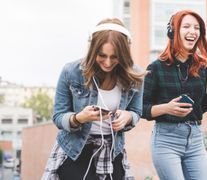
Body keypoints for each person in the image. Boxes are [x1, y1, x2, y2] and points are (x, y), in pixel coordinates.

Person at [42, 18, 144, 180]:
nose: (108, 62)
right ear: (92, 49)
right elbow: (58, 117)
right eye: (102, 55)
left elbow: (137, 111)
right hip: (74, 150)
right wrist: (78, 118)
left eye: (115, 57)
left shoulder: (134, 75)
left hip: (112, 151)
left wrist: (128, 117)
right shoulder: (71, 72)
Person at [142, 10, 207, 180]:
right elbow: (141, 109)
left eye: (196, 28)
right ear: (173, 32)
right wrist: (167, 108)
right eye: (186, 26)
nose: (193, 31)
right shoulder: (155, 68)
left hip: (194, 138)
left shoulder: (201, 67)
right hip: (166, 141)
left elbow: (198, 108)